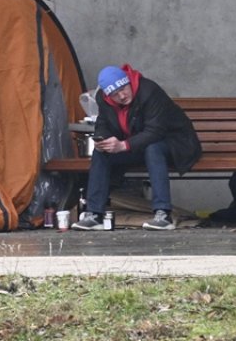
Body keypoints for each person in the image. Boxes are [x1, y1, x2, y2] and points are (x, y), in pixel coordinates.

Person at [72, 64, 201, 231]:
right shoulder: (103, 100)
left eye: (124, 88)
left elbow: (155, 132)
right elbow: (103, 124)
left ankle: (163, 214)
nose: (122, 95)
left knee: (153, 148)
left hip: (176, 144)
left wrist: (123, 145)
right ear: (108, 95)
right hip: (137, 145)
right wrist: (103, 140)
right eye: (115, 94)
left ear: (128, 82)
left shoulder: (149, 91)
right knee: (101, 152)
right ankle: (94, 214)